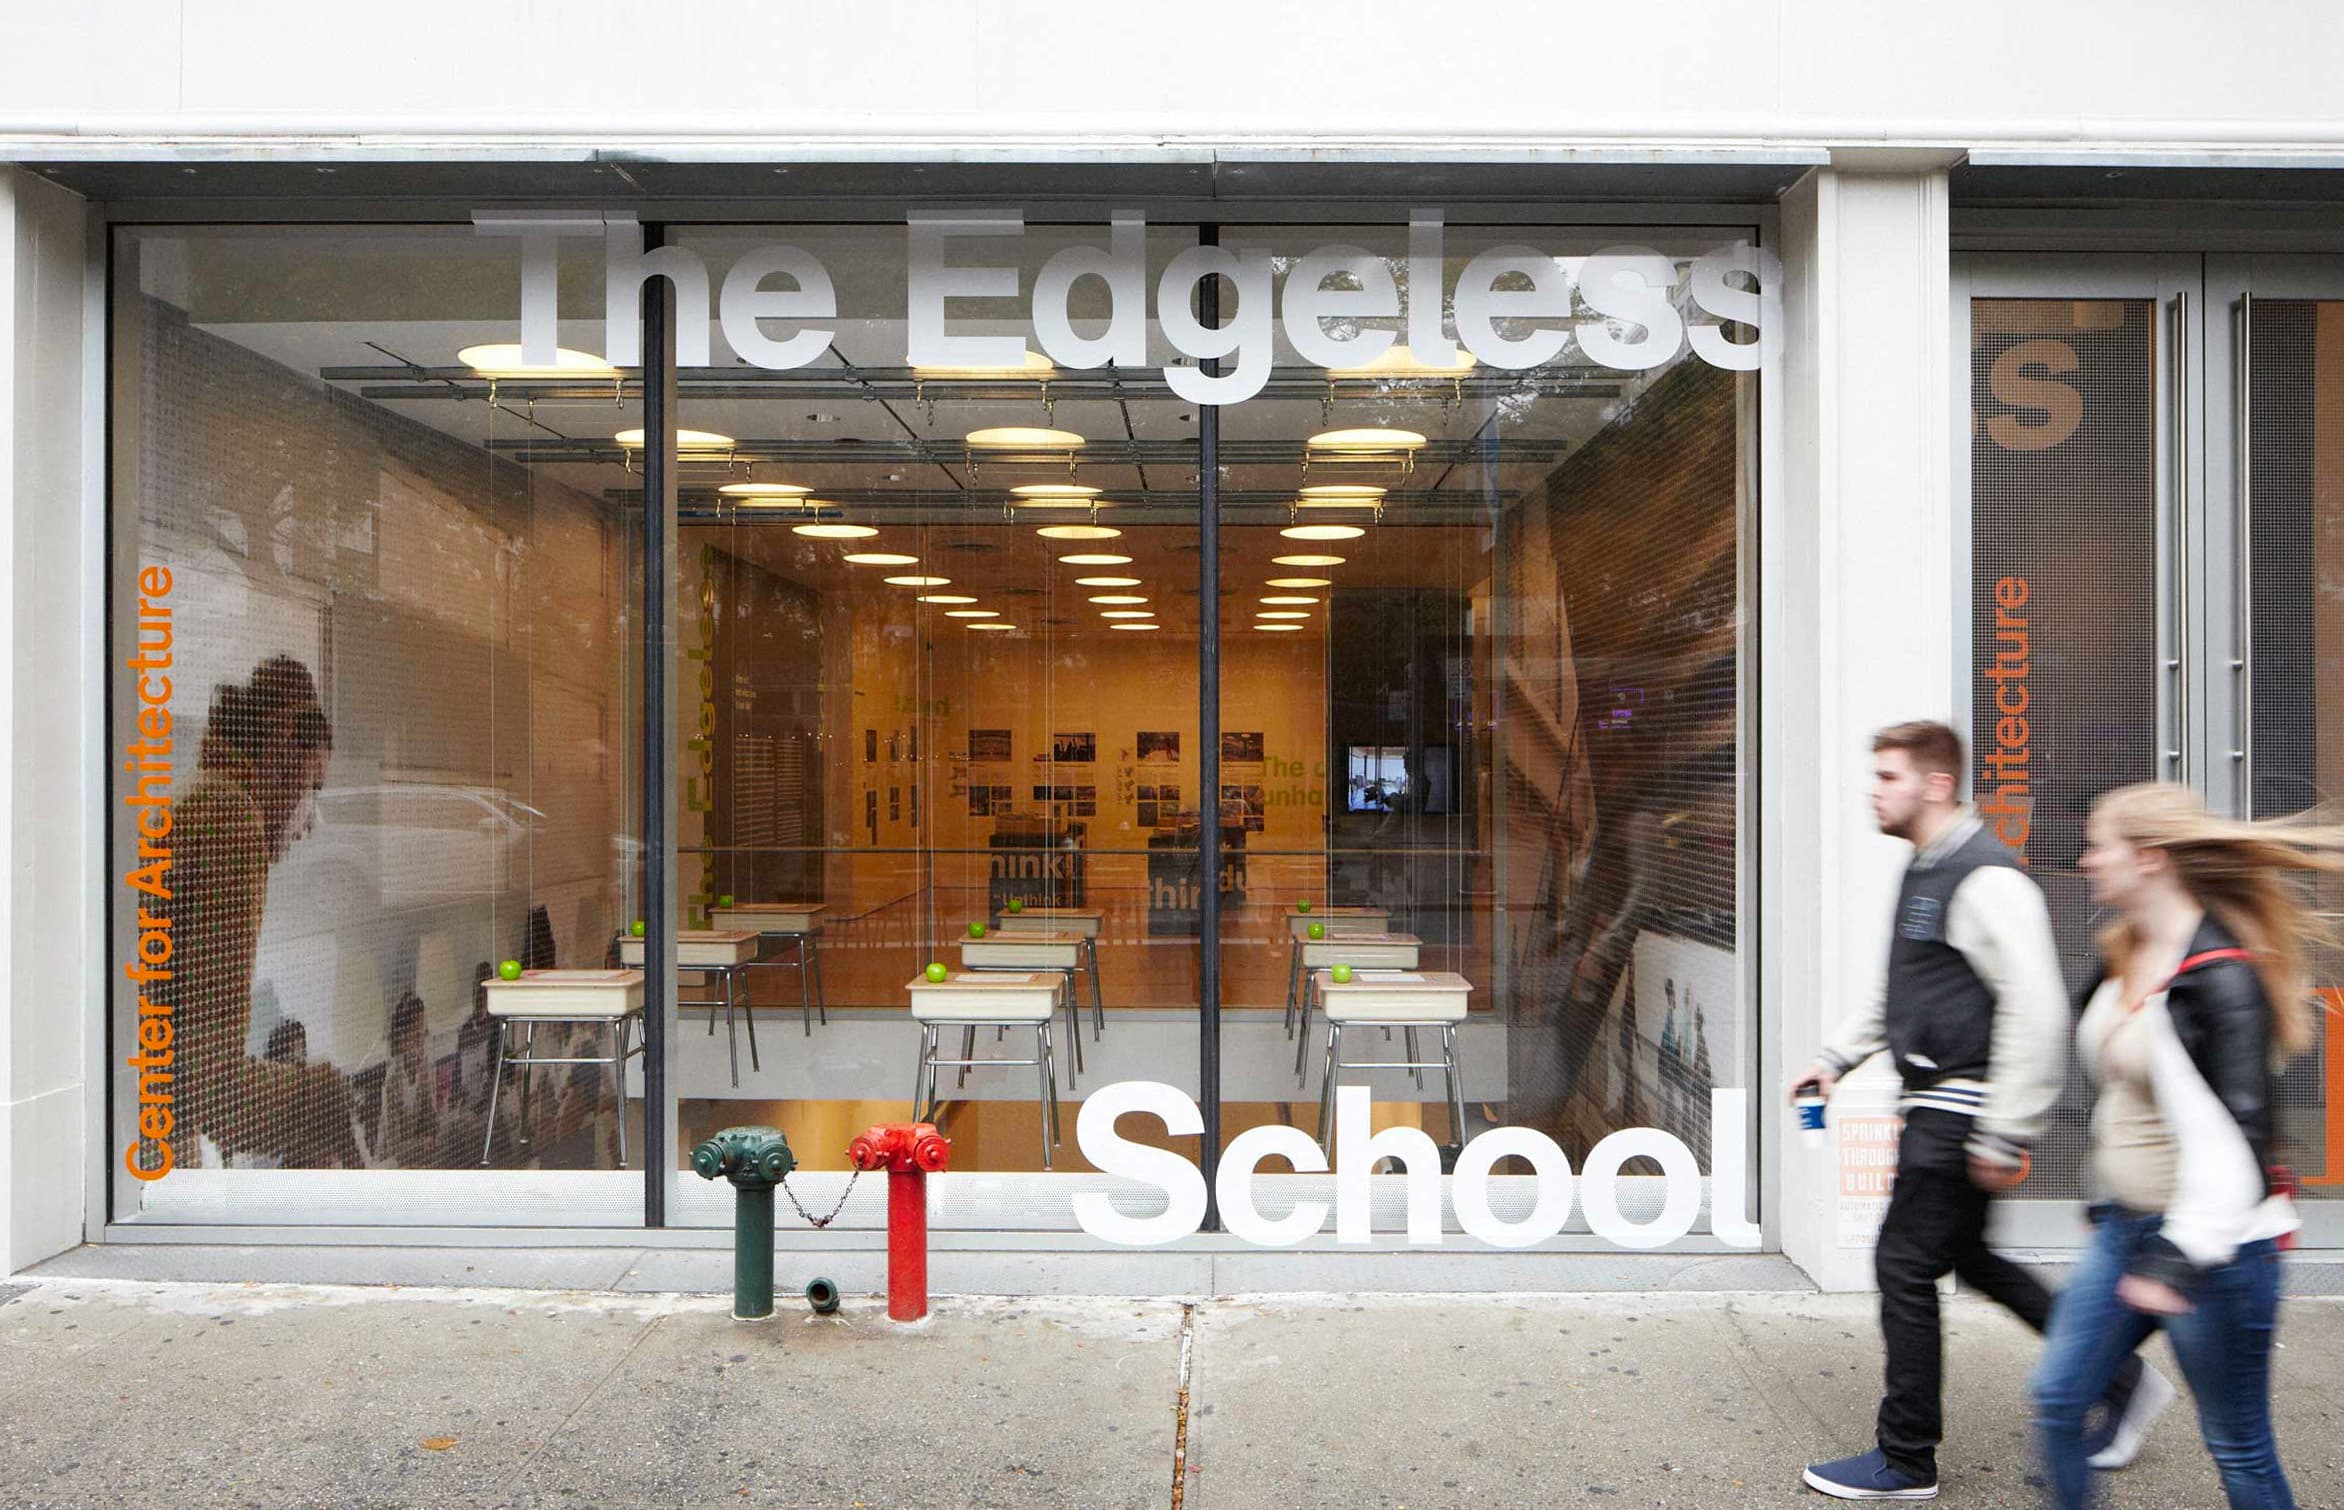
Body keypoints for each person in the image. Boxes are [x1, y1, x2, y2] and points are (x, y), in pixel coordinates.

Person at [1795, 721, 2157, 1501]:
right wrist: (1835, 1061)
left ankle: (1906, 1459)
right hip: (1942, 1104)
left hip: (1959, 1111)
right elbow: (1907, 990)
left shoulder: (1987, 879)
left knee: (1902, 1264)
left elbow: (2037, 1007)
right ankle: (2120, 1379)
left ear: (1934, 785)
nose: (1873, 790)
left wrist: (2006, 1128)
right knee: (1970, 1259)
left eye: (1887, 776)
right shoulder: (1928, 870)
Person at [2029, 782, 2338, 1508]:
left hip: (2217, 1250)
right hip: (2129, 1231)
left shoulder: (2221, 979)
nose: (2086, 860)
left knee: (2238, 1446)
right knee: (2057, 1397)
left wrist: (2175, 1258)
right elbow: (2125, 1100)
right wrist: (2109, 1198)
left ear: (2152, 859)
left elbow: (2238, 1146)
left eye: (2100, 844)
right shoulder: (2123, 951)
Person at [163, 656, 359, 1168]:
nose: (309, 821)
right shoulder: (231, 823)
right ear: (280, 745)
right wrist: (316, 1095)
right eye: (312, 787)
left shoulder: (199, 797)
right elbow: (219, 1093)